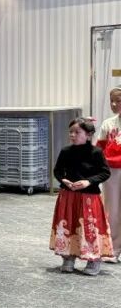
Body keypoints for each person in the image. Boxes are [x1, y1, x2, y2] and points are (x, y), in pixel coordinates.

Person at [52, 117, 113, 275]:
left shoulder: (96, 152)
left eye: (77, 132)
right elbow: (57, 171)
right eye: (70, 132)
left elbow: (105, 172)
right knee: (69, 225)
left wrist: (88, 182)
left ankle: (93, 259)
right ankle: (68, 256)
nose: (72, 135)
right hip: (68, 196)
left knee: (89, 228)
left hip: (89, 197)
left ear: (88, 135)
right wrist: (63, 180)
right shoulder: (66, 151)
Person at [95, 87, 121, 261]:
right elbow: (99, 149)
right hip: (111, 171)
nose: (113, 104)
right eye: (112, 100)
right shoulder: (107, 124)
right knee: (112, 210)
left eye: (118, 100)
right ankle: (113, 249)